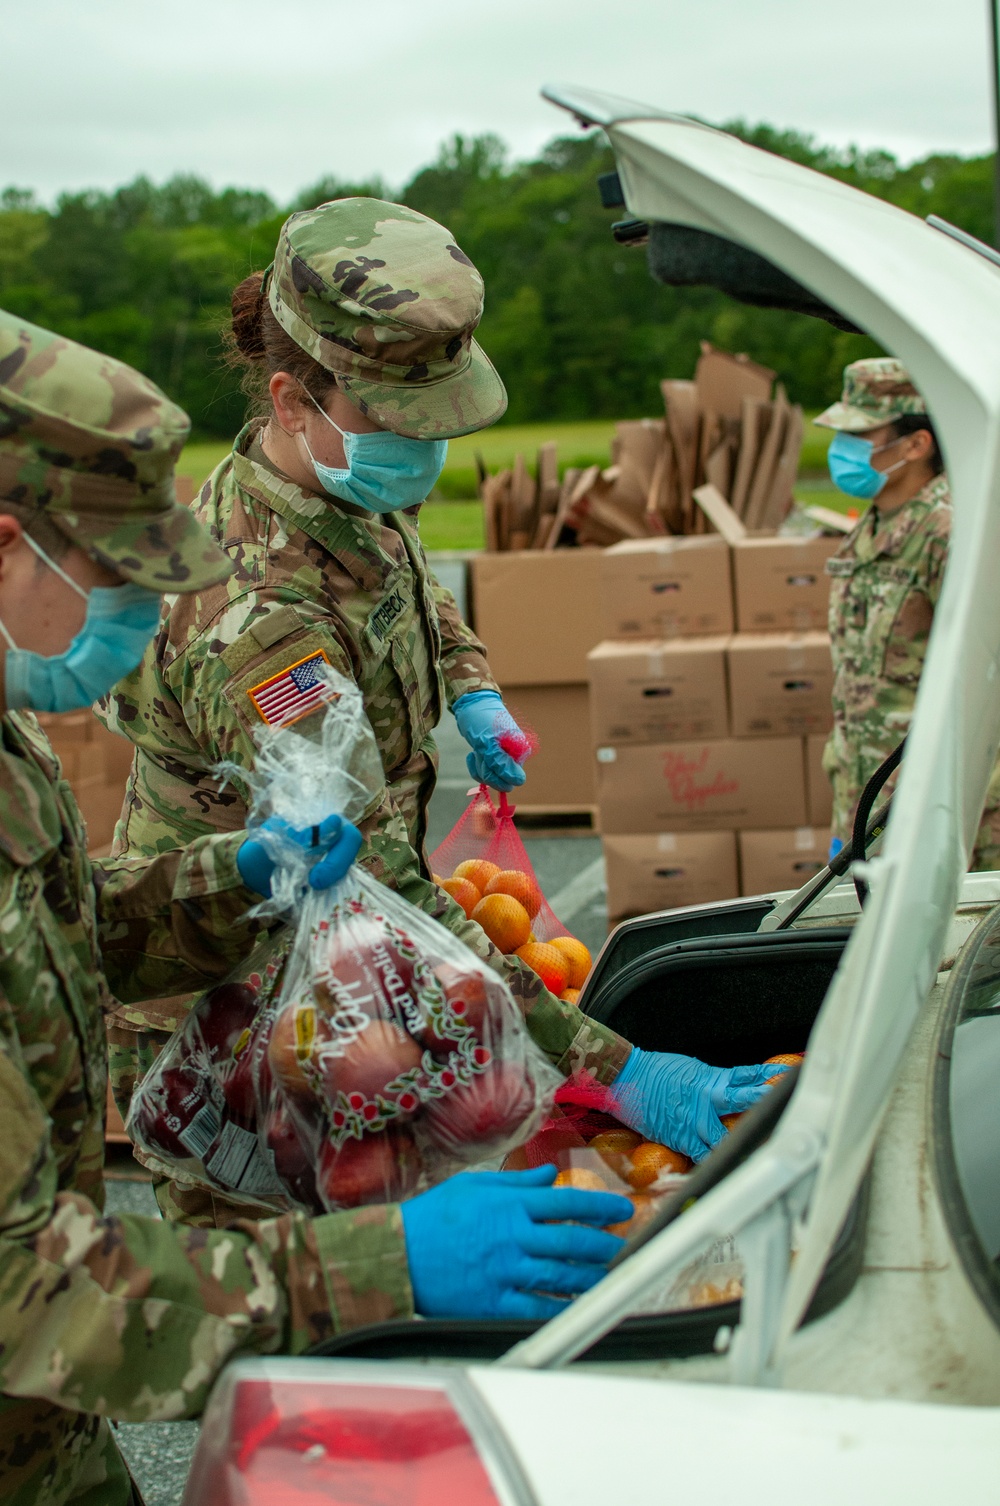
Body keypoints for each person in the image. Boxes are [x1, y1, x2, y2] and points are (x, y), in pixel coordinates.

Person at [0, 309, 644, 1506]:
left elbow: (59, 936)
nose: (145, 622)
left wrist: (227, 878)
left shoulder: (11, 739)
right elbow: (23, 1292)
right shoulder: (255, 618)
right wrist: (371, 1268)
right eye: (122, 582)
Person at [100, 197, 779, 1224]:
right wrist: (617, 1068)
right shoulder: (259, 626)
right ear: (293, 400)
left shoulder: (346, 483)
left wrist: (470, 688)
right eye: (396, 420)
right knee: (298, 1306)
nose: (425, 449)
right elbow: (377, 880)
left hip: (348, 977)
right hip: (245, 1024)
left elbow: (409, 581)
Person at [817, 356, 1000, 864]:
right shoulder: (870, 529)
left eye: (859, 437)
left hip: (945, 810)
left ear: (917, 444)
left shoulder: (953, 534)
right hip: (868, 804)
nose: (840, 452)